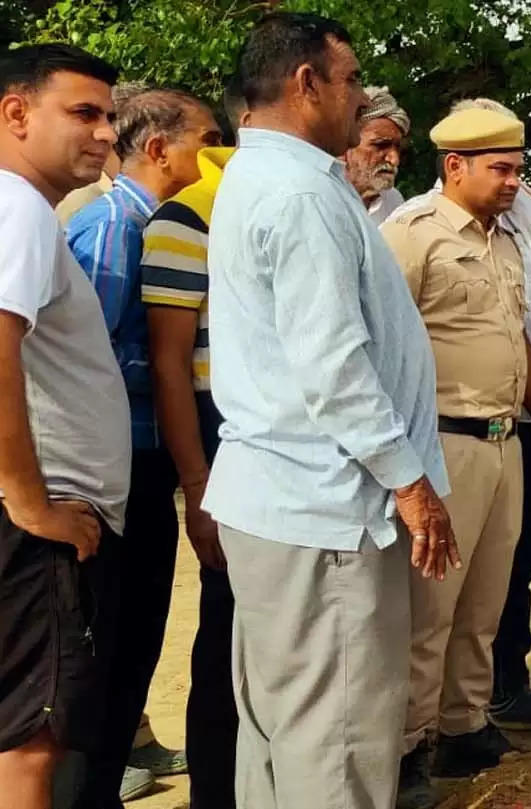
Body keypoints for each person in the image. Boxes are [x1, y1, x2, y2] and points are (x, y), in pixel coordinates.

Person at [205, 13, 454, 809]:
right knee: (338, 738)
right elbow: (334, 364)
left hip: (287, 499)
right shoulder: (301, 193)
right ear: (305, 83)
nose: (361, 97)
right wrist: (407, 481)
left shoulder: (270, 176)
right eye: (349, 81)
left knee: (286, 729)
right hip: (325, 506)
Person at [381, 107, 531, 806]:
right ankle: (405, 749)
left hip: (502, 437)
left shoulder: (505, 240)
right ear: (454, 165)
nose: (514, 182)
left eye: (518, 168)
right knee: (430, 608)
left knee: (486, 600)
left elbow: (515, 337)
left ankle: (463, 725)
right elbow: (379, 341)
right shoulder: (412, 235)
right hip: (441, 440)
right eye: (501, 168)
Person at [63, 84, 221, 809]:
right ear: (160, 149)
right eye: (207, 139)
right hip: (116, 467)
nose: (220, 155)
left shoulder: (155, 227)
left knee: (134, 650)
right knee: (113, 655)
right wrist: (184, 363)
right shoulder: (117, 231)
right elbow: (81, 364)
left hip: (140, 465)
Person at [0, 43, 127, 809]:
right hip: (33, 532)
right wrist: (28, 500)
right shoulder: (17, 208)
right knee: (28, 745)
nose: (107, 133)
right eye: (83, 113)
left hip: (31, 524)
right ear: (15, 112)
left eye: (109, 116)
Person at [138, 84, 249, 809]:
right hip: (220, 430)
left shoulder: (251, 211)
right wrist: (199, 486)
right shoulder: (184, 221)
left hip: (255, 429)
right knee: (228, 624)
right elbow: (171, 364)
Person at [347, 86, 409, 223]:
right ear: (347, 141)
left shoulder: (393, 200)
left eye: (397, 147)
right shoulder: (320, 197)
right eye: (380, 145)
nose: (394, 160)